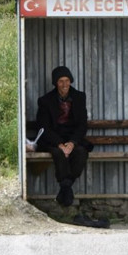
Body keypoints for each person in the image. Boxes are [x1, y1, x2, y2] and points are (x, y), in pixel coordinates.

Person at [35, 66, 91, 207]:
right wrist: (60, 144)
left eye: (67, 80)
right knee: (58, 153)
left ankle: (65, 187)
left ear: (70, 81)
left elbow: (82, 125)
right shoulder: (45, 101)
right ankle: (67, 188)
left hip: (72, 138)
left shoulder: (79, 97)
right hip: (53, 139)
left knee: (81, 152)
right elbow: (43, 127)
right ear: (55, 83)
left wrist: (71, 143)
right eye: (61, 81)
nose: (65, 84)